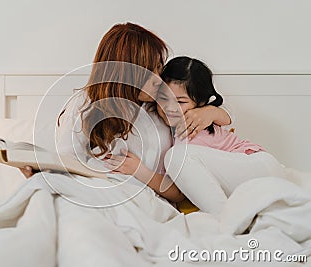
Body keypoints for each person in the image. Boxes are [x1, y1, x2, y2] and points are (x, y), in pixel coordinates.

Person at [21, 23, 232, 205]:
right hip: (92, 190)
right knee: (43, 194)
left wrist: (211, 111)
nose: (159, 80)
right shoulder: (84, 104)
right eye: (151, 72)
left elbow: (221, 125)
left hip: (141, 197)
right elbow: (66, 161)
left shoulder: (162, 107)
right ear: (127, 73)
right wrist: (43, 173)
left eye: (160, 69)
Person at [157, 56, 288, 215]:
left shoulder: (194, 125)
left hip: (258, 167)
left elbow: (179, 190)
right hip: (255, 172)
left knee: (176, 157)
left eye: (181, 102)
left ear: (200, 103)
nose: (169, 108)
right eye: (163, 98)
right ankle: (230, 217)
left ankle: (226, 218)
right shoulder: (181, 123)